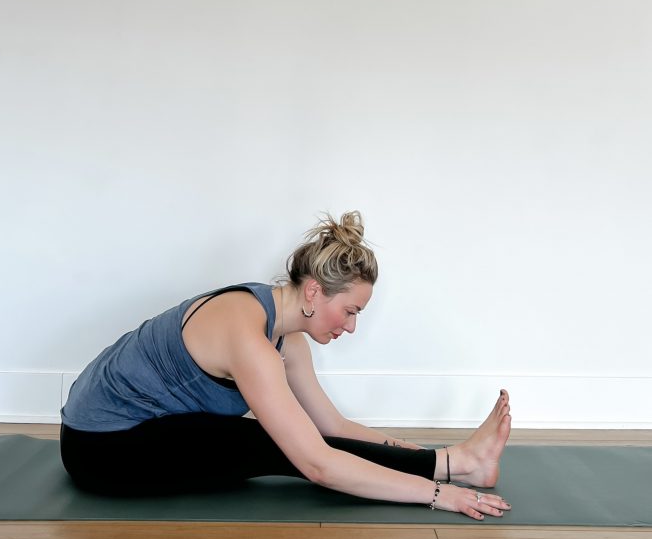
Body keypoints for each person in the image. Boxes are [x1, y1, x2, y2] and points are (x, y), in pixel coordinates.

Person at [60, 211, 512, 520]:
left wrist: (432, 457)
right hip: (101, 445)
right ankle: (459, 466)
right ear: (314, 292)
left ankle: (462, 462)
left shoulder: (287, 336)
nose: (352, 327)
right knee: (275, 444)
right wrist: (439, 496)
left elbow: (332, 427)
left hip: (154, 425)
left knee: (296, 437)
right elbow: (318, 464)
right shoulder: (247, 337)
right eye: (350, 311)